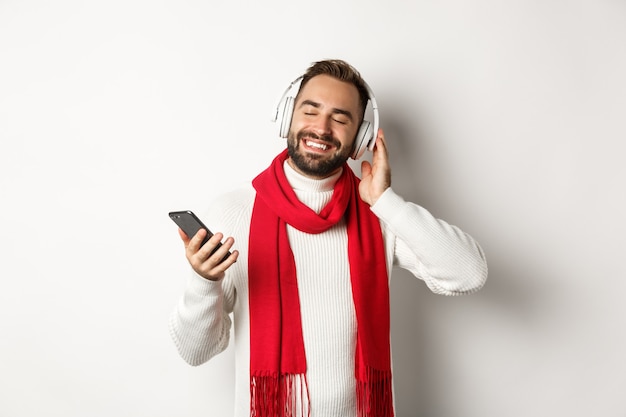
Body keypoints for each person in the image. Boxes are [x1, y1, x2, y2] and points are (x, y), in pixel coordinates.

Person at [169, 59, 488, 417]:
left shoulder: (377, 212)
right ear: (288, 115)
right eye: (311, 110)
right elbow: (195, 352)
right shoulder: (234, 210)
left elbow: (469, 273)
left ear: (360, 137)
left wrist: (386, 202)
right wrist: (204, 280)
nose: (321, 128)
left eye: (340, 117)